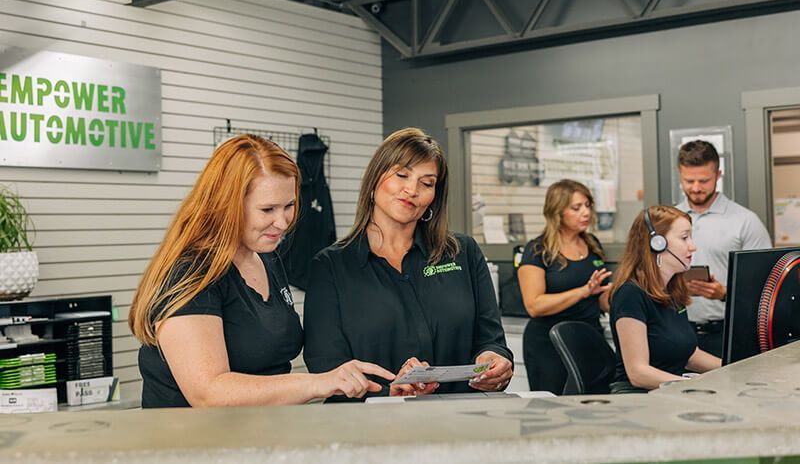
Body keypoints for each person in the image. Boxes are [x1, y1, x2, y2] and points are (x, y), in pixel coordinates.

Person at [128, 134, 394, 408]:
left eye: (289, 206)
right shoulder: (191, 273)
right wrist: (316, 383)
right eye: (267, 209)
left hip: (256, 438)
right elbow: (208, 393)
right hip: (193, 445)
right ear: (227, 204)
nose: (282, 222)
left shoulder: (266, 258)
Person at [303, 128, 513, 401]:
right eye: (401, 175)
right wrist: (392, 389)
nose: (411, 190)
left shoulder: (463, 253)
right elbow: (326, 366)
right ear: (375, 179)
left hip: (460, 421)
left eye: (426, 183)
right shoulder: (331, 266)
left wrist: (494, 361)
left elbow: (491, 339)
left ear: (434, 197)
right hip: (370, 430)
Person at [608, 205, 721, 393]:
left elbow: (688, 355)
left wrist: (734, 368)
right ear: (657, 243)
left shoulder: (672, 290)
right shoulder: (630, 294)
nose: (692, 246)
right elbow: (638, 373)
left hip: (669, 392)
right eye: (684, 238)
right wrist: (695, 387)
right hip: (640, 398)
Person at [676, 140, 771, 357]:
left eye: (704, 180)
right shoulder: (668, 220)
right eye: (689, 181)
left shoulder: (745, 221)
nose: (696, 188)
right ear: (679, 174)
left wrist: (724, 294)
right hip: (676, 330)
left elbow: (765, 288)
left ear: (718, 174)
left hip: (726, 333)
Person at [517, 179, 613, 394]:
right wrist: (582, 291)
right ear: (557, 212)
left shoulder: (592, 244)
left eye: (588, 205)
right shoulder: (537, 250)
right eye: (576, 208)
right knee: (552, 411)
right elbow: (534, 305)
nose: (586, 213)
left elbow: (601, 300)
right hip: (549, 344)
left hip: (589, 338)